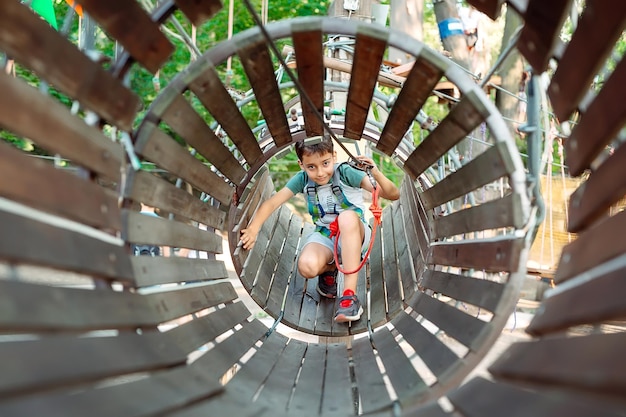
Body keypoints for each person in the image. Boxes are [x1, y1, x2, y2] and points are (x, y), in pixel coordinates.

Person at [240, 138, 400, 323]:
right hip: (327, 235)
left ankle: (349, 297)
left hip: (355, 233)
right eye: (311, 167)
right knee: (306, 266)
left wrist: (376, 173)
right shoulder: (303, 180)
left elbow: (393, 194)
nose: (320, 172)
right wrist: (253, 228)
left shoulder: (346, 172)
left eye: (325, 163)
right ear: (301, 165)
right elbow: (274, 202)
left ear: (334, 156)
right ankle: (331, 268)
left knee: (346, 217)